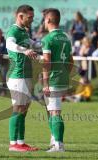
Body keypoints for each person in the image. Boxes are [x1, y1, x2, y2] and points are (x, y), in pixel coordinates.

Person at [6, 5, 38, 152]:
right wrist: (25, 51)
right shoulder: (13, 31)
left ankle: (21, 142)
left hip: (26, 74)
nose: (32, 20)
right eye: (29, 17)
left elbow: (36, 44)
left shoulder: (23, 32)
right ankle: (13, 144)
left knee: (24, 109)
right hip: (17, 75)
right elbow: (10, 44)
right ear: (20, 16)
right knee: (18, 108)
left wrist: (50, 44)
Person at [42, 8, 73, 152]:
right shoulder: (66, 37)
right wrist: (66, 76)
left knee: (55, 112)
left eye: (44, 19)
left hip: (53, 79)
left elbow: (47, 62)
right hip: (63, 77)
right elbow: (71, 61)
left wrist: (45, 82)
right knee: (52, 111)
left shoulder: (48, 39)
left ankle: (59, 145)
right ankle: (54, 140)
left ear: (48, 20)